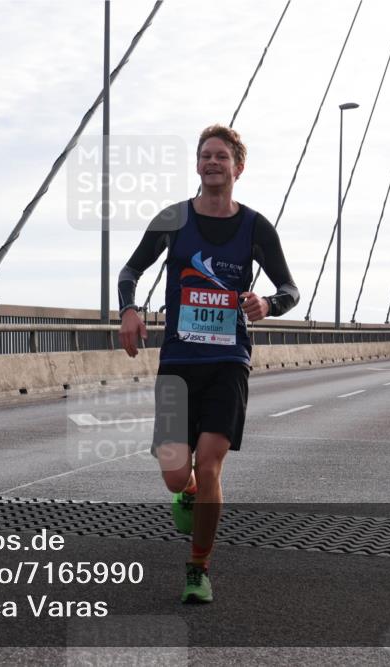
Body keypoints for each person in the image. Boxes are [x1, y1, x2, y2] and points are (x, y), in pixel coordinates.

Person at [118, 124, 299, 603]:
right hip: (178, 358)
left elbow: (289, 289)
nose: (212, 162)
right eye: (205, 156)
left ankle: (198, 568)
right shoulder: (174, 219)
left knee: (211, 462)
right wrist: (130, 311)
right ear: (197, 164)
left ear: (238, 167)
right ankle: (188, 491)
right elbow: (131, 269)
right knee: (178, 472)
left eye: (221, 156)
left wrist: (269, 305)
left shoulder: (256, 227)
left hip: (228, 360)